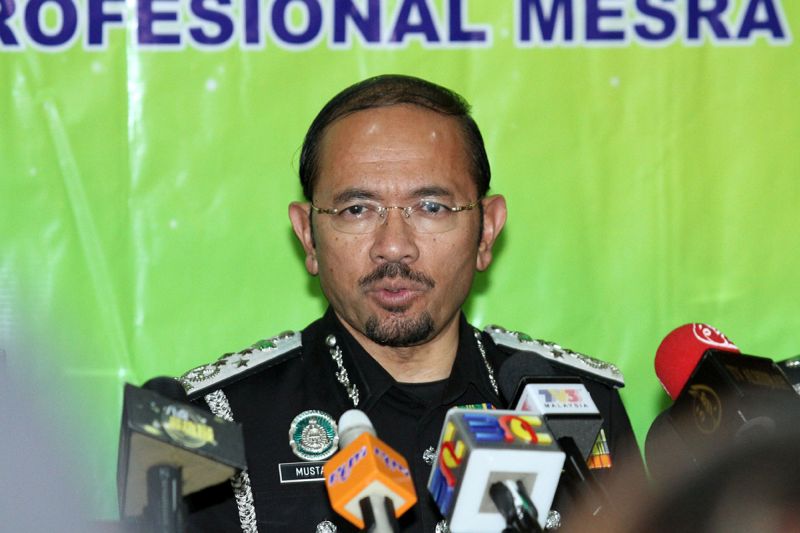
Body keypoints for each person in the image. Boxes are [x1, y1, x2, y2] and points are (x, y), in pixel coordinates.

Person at [176, 75, 644, 532]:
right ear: (308, 237)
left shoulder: (577, 408)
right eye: (357, 209)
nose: (395, 246)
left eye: (431, 208)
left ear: (487, 231)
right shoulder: (218, 424)